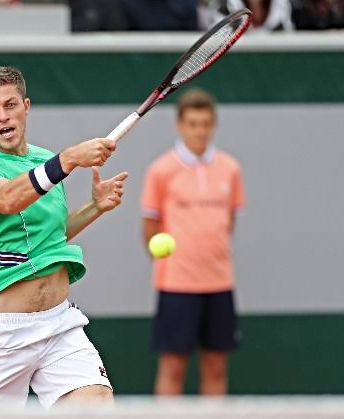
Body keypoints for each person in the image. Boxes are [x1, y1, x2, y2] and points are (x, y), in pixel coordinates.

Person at [0, 66, 128, 410]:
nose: (3, 116)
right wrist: (67, 159)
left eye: (10, 105)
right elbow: (8, 199)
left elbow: (53, 236)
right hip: (0, 337)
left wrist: (94, 208)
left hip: (59, 325)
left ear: (26, 106)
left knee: (96, 407)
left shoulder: (42, 161)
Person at [140, 89, 245, 396]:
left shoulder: (230, 168)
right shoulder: (161, 170)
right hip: (176, 286)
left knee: (216, 366)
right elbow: (149, 227)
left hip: (219, 283)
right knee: (173, 366)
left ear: (213, 125)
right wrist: (175, 266)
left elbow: (229, 222)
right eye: (193, 123)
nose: (200, 130)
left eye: (205, 123)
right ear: (180, 125)